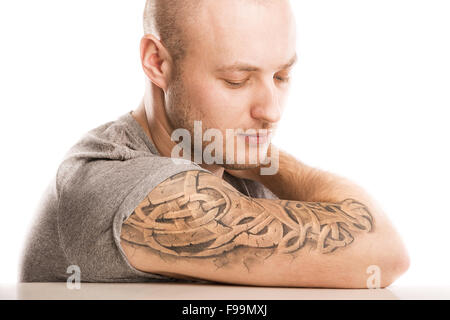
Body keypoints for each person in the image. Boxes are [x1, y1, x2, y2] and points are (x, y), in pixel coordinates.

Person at [20, 0, 409, 288]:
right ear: (157, 62)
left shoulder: (235, 167)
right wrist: (265, 160)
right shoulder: (110, 182)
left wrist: (257, 160)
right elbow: (384, 251)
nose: (270, 111)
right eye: (237, 80)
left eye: (282, 76)